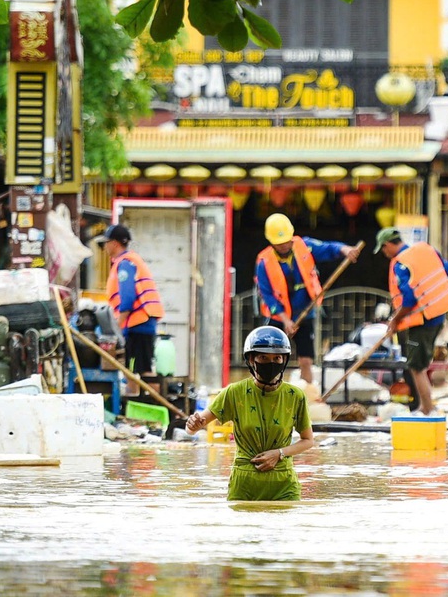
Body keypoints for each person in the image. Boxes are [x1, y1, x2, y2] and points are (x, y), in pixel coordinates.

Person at [185, 326, 315, 501]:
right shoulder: (234, 392)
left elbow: (308, 440)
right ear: (251, 359)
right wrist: (192, 425)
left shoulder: (295, 396)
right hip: (244, 485)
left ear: (284, 360)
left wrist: (279, 453)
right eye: (263, 357)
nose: (271, 363)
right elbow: (194, 428)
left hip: (283, 485)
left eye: (276, 358)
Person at [255, 213, 360, 385]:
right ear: (271, 242)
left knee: (306, 360)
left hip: (304, 313)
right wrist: (285, 320)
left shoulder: (304, 246)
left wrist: (344, 250)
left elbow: (327, 248)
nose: (284, 246)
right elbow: (267, 295)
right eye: (279, 244)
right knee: (270, 358)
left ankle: (307, 396)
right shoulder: (264, 262)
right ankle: (266, 390)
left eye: (287, 241)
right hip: (279, 316)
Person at [374, 228, 448, 415]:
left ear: (387, 245)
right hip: (437, 316)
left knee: (416, 367)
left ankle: (426, 409)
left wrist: (394, 320)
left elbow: (409, 300)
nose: (385, 254)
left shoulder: (401, 264)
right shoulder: (426, 250)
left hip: (422, 320)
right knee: (421, 365)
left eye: (384, 250)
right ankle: (426, 407)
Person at [95, 224, 164, 377]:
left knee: (143, 370)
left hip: (139, 324)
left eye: (106, 242)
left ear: (115, 243)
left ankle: (152, 400)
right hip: (139, 323)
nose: (105, 246)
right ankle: (135, 398)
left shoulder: (125, 264)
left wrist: (117, 327)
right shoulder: (129, 261)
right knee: (132, 369)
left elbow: (127, 298)